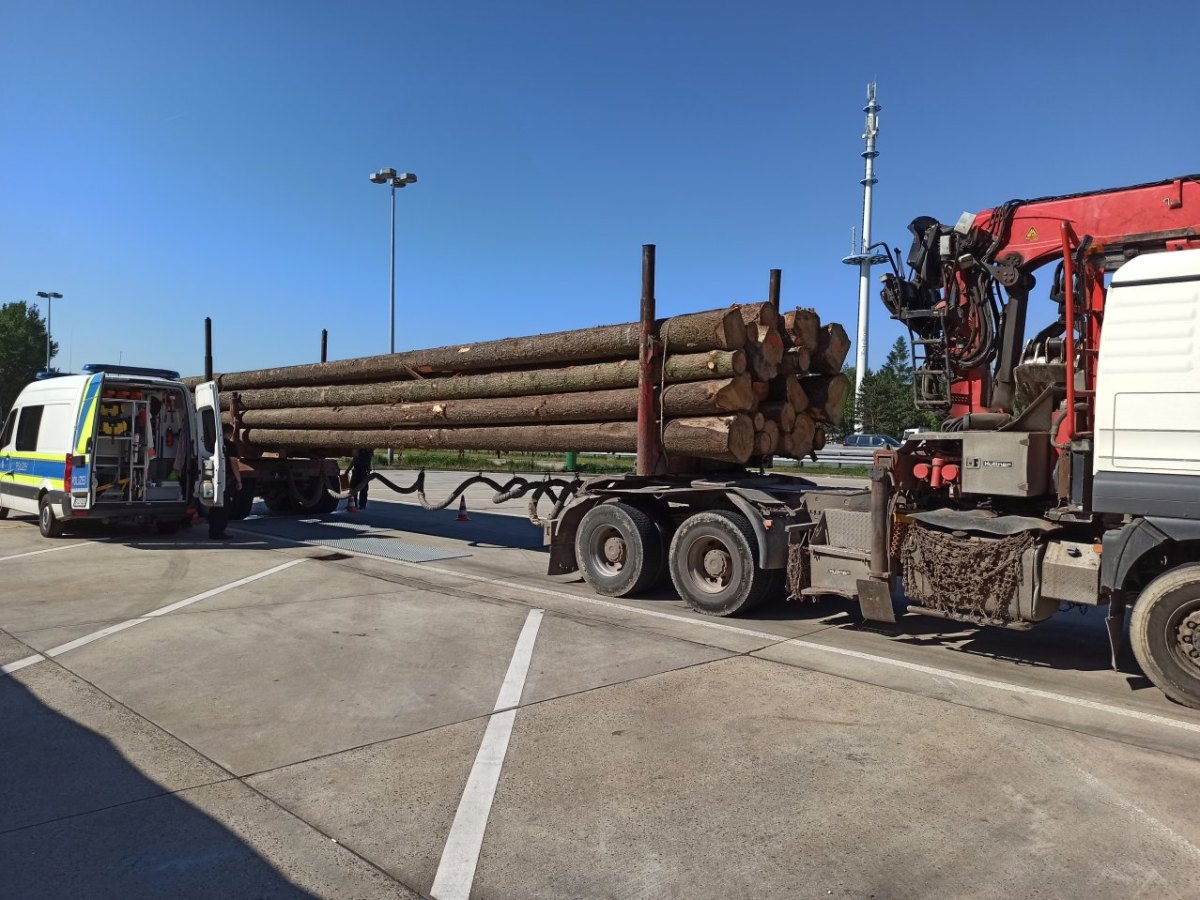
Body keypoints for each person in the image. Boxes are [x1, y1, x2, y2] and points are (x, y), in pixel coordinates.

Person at [208, 423, 243, 539]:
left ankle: (212, 530)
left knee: (214, 506)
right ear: (231, 433)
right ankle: (219, 532)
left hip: (214, 477)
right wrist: (239, 480)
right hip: (227, 479)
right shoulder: (231, 446)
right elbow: (234, 464)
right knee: (224, 507)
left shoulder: (214, 443)